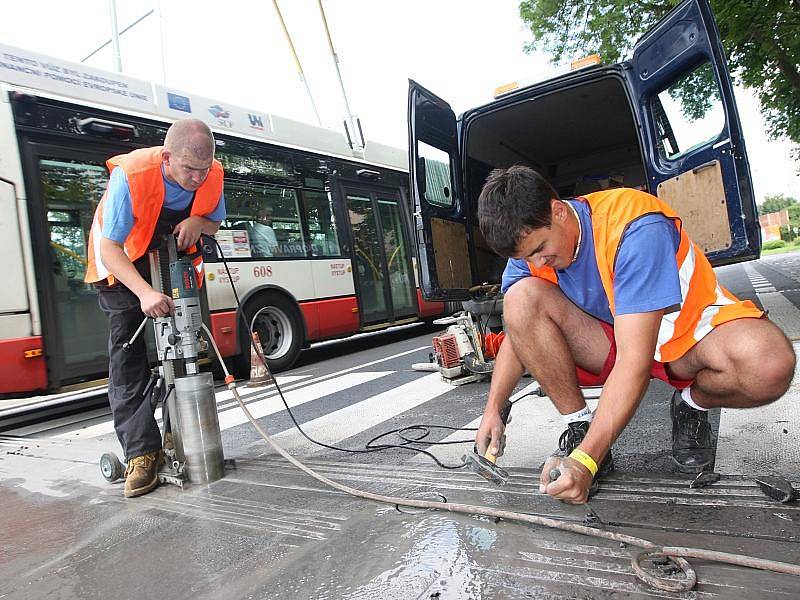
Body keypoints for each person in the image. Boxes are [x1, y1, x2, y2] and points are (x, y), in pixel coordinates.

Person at [474, 165, 795, 505]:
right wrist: (493, 409)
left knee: (768, 364)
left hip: (688, 335)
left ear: (557, 211)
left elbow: (634, 362)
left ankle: (690, 404)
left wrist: (584, 464)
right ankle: (581, 428)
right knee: (520, 299)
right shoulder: (531, 251)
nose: (537, 264)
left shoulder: (635, 226)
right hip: (613, 338)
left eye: (541, 250)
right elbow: (519, 331)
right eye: (526, 258)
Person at [85, 118, 226, 498]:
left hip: (171, 262)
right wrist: (145, 293)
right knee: (128, 359)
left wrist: (198, 221)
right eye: (188, 169)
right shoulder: (131, 177)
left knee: (184, 349)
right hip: (122, 271)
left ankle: (176, 439)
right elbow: (110, 249)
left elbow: (214, 219)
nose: (197, 178)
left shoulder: (212, 174)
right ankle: (141, 454)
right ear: (166, 157)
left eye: (204, 168)